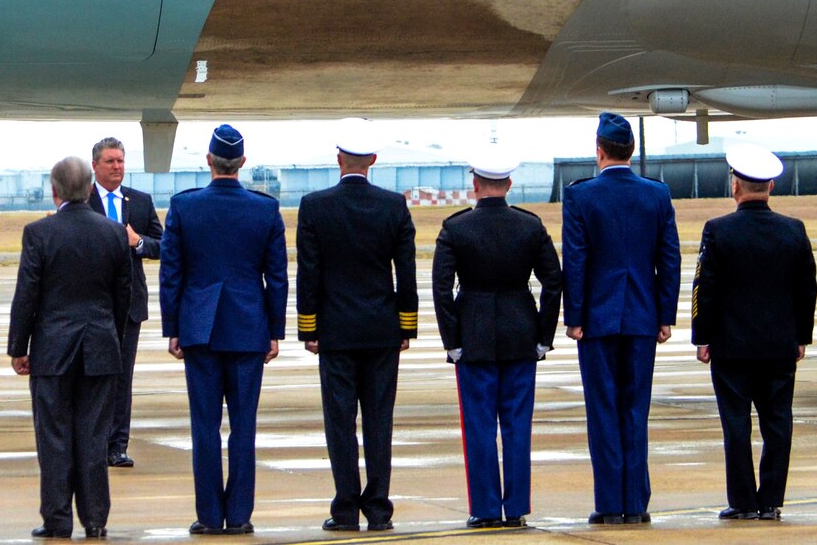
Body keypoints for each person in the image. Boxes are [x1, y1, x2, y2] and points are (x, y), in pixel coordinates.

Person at [159, 124, 288, 536]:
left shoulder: (185, 207)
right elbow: (278, 277)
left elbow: (171, 274)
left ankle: (210, 516)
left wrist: (172, 327)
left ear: (210, 161)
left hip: (200, 327)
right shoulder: (265, 209)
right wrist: (275, 331)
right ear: (242, 164)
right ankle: (241, 515)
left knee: (204, 426)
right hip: (250, 326)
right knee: (244, 426)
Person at [432, 147, 562, 531]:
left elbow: (441, 289)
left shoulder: (455, 228)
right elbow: (553, 282)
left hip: (472, 336)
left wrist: (451, 340)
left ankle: (486, 509)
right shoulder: (530, 225)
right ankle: (516, 507)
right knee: (517, 427)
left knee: (479, 427)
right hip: (521, 332)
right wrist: (543, 335)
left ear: (475, 183)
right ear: (509, 184)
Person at [561, 111, 680, 526]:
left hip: (597, 318)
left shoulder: (581, 196)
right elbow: (669, 258)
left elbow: (575, 260)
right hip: (643, 317)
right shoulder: (657, 194)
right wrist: (666, 314)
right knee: (635, 410)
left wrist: (573, 316)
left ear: (599, 151)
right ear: (631, 151)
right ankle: (636, 503)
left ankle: (610, 503)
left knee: (603, 411)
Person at [296, 130, 418, 532]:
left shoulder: (314, 206)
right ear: (373, 160)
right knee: (379, 422)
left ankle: (346, 508)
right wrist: (406, 326)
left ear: (338, 159)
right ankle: (379, 509)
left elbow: (309, 272)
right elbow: (407, 273)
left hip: (336, 331)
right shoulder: (393, 205)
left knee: (340, 423)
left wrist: (308, 328)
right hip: (382, 329)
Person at [690, 143, 817, 523]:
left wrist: (703, 336)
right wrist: (801, 336)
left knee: (736, 425)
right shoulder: (793, 230)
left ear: (735, 186)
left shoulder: (718, 231)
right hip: (779, 345)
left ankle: (743, 501)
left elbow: (704, 288)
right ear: (771, 187)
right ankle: (772, 500)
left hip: (732, 347)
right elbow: (807, 288)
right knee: (778, 423)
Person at [9, 157, 134, 540]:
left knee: (54, 437)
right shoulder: (114, 233)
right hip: (99, 346)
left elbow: (27, 294)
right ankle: (95, 519)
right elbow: (123, 295)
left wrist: (18, 346)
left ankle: (57, 518)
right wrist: (108, 335)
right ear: (88, 189)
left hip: (52, 349)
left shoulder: (39, 233)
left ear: (55, 191)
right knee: (95, 437)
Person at [86, 136, 163, 467]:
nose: (117, 167)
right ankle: (94, 441)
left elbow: (165, 245)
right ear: (95, 166)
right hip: (93, 305)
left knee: (122, 376)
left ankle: (117, 445)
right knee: (94, 377)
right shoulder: (83, 201)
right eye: (110, 162)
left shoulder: (140, 202)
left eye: (120, 161)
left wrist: (139, 242)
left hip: (130, 305)